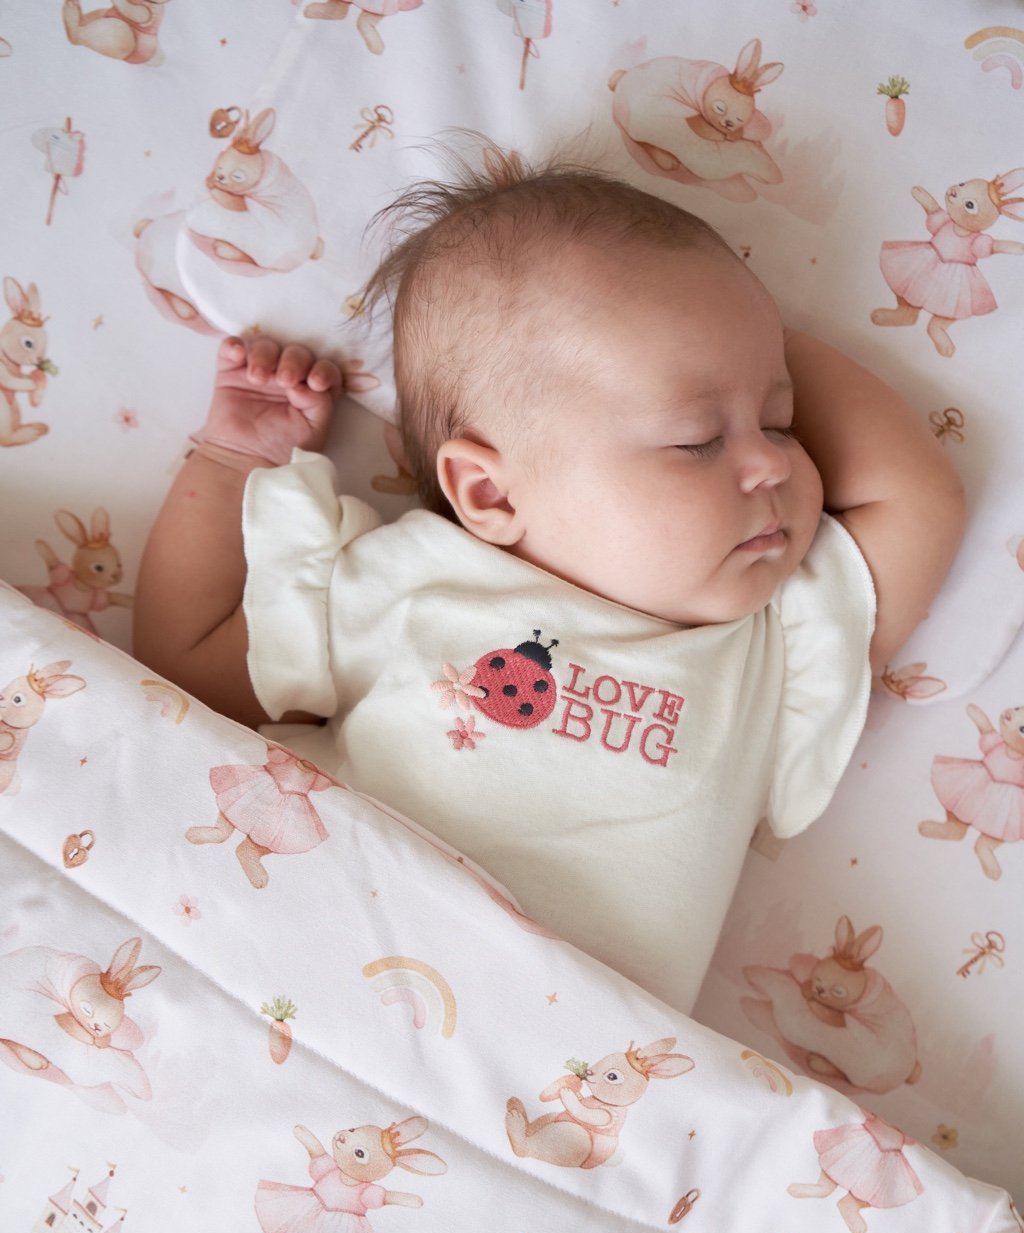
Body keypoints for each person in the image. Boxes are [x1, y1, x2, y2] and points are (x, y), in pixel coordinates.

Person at [133, 149, 965, 1014]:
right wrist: (232, 461)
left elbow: (917, 496)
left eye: (782, 421)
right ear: (490, 492)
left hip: (553, 1066)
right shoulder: (414, 585)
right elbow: (186, 673)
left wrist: (725, 336)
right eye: (696, 438)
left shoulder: (772, 650)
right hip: (308, 968)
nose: (769, 463)